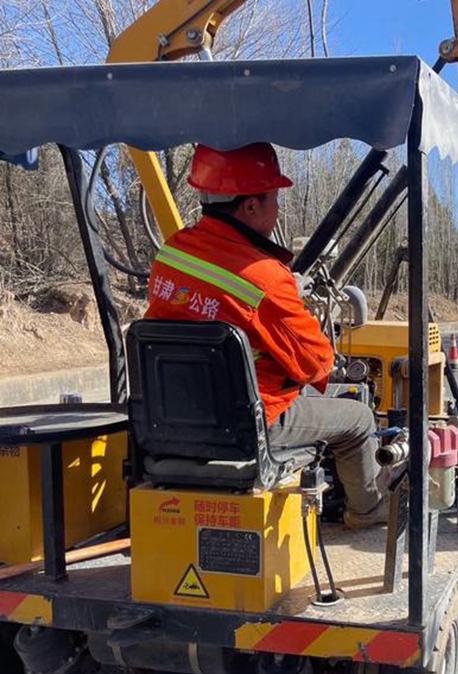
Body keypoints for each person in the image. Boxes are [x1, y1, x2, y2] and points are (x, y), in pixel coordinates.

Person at [145, 143, 387, 529]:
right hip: (250, 424)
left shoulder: (170, 254)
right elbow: (317, 364)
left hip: (176, 422)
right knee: (358, 419)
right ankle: (367, 512)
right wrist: (290, 301)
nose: (277, 209)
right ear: (250, 207)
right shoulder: (266, 279)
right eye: (274, 198)